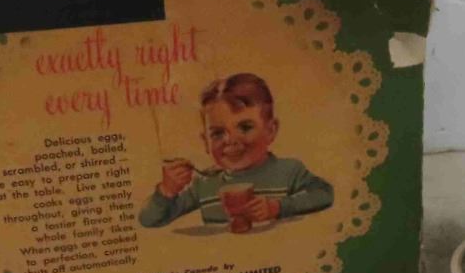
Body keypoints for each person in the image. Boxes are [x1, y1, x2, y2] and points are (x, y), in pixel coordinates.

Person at [138, 73, 334, 230]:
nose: (230, 141)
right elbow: (149, 220)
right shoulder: (205, 183)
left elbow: (324, 194)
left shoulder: (289, 171)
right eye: (217, 133)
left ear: (271, 130)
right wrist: (166, 191)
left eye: (245, 127)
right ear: (205, 142)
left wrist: (278, 207)